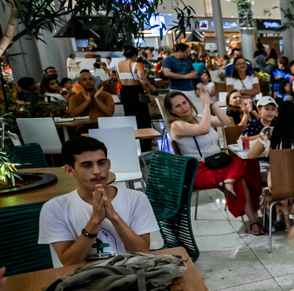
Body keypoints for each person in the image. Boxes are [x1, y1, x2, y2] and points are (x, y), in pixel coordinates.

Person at [39, 136, 158, 265]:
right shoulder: (54, 208)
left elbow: (142, 252)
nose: (97, 171)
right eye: (87, 165)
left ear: (109, 164)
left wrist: (114, 217)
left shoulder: (136, 199)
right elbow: (69, 262)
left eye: (101, 163)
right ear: (70, 170)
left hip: (128, 276)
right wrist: (95, 221)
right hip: (82, 279)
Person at [164, 91, 264, 235]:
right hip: (199, 170)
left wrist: (212, 103)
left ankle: (229, 181)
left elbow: (226, 122)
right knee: (240, 178)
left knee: (249, 158)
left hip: (219, 164)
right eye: (178, 106)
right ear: (172, 111)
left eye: (184, 102)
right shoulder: (177, 125)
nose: (184, 107)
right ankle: (253, 219)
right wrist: (205, 105)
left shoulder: (199, 118)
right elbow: (203, 129)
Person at [248, 100, 294, 225]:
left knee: (275, 177)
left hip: (278, 182)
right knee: (289, 180)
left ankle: (285, 222)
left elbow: (251, 155)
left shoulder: (269, 133)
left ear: (278, 114)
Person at [114, 46, 156, 150]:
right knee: (142, 119)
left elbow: (119, 79)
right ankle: (145, 147)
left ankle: (133, 145)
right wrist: (149, 88)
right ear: (134, 55)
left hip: (124, 91)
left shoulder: (119, 65)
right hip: (136, 91)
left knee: (130, 118)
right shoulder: (136, 65)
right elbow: (142, 80)